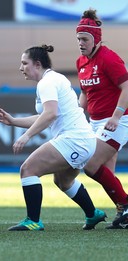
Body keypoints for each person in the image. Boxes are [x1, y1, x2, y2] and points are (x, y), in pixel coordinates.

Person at [0, 44, 106, 231]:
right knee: (63, 181)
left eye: (24, 63)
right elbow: (46, 115)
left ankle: (34, 221)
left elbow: (50, 114)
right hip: (83, 140)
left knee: (28, 169)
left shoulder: (46, 82)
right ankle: (93, 214)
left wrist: (26, 136)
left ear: (37, 64)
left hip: (74, 139)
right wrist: (13, 121)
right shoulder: (53, 79)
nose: (21, 68)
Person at [74, 9, 128, 229]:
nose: (80, 43)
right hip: (95, 122)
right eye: (78, 39)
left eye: (85, 38)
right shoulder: (81, 62)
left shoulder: (108, 57)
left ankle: (125, 203)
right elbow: (85, 93)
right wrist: (76, 116)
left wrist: (116, 115)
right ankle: (123, 212)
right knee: (108, 174)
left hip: (118, 120)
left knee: (90, 163)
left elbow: (126, 87)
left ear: (95, 39)